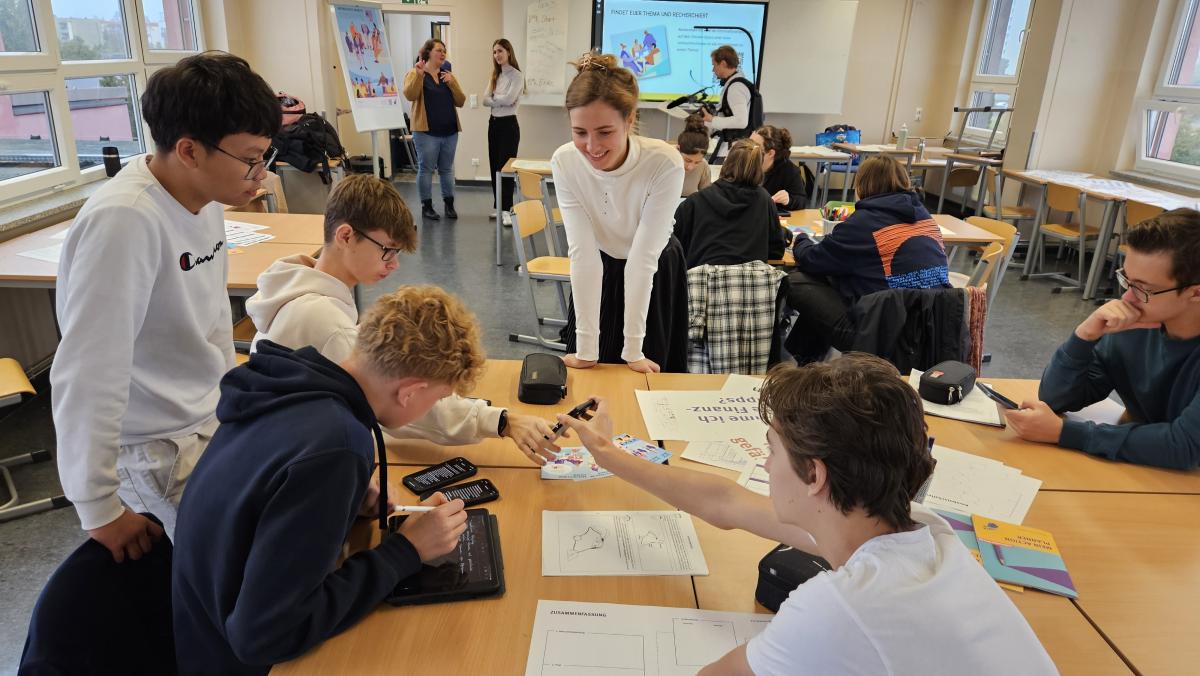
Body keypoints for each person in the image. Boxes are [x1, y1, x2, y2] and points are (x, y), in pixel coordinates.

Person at [554, 353, 1056, 675]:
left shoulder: (841, 605)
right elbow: (725, 503)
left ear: (814, 476)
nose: (762, 463)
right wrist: (608, 453)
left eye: (770, 450)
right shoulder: (921, 529)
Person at [173, 287, 479, 675]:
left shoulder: (291, 383)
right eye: (435, 399)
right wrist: (407, 550)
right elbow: (265, 636)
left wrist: (347, 503)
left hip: (198, 627)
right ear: (410, 392)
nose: (431, 408)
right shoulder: (338, 447)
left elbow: (267, 497)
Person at [49, 52, 280, 559]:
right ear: (189, 150)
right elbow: (88, 371)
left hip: (207, 424)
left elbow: (214, 325)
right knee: (225, 581)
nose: (260, 173)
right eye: (250, 158)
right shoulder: (125, 221)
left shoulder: (205, 200)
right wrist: (98, 506)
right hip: (154, 452)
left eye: (265, 155)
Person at [246, 174, 559, 464]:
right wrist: (502, 421)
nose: (394, 265)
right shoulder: (327, 323)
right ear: (345, 236)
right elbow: (402, 406)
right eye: (387, 251)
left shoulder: (302, 284)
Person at [1005, 209, 1200, 469]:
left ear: (1196, 293)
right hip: (1149, 469)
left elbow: (1185, 446)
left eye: (1143, 288)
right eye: (1126, 280)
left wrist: (1065, 433)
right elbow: (1056, 399)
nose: (1127, 298)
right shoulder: (1134, 323)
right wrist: (1084, 336)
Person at [551, 52, 688, 374]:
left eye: (604, 132)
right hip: (597, 264)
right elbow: (582, 253)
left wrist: (634, 350)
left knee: (649, 374)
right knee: (588, 375)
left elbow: (643, 258)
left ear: (629, 120)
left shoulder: (663, 162)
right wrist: (586, 349)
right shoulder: (565, 161)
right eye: (579, 132)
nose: (591, 146)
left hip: (653, 268)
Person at [784, 155, 950, 364]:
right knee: (835, 280)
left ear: (862, 186)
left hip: (881, 336)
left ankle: (805, 360)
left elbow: (813, 260)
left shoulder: (863, 223)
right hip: (931, 330)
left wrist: (801, 240)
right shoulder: (925, 217)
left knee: (796, 281)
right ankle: (807, 359)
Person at [673, 139, 786, 267]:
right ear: (759, 169)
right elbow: (776, 251)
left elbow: (675, 248)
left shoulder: (695, 202)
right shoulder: (765, 201)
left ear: (727, 161)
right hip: (751, 283)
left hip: (702, 282)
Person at [403, 39, 465, 221]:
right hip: (426, 133)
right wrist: (419, 75)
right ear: (428, 52)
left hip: (450, 132)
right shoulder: (415, 73)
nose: (443, 53)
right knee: (426, 168)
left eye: (444, 50)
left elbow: (461, 101)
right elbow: (410, 94)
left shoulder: (448, 75)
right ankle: (427, 206)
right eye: (439, 50)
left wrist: (452, 82)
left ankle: (449, 205)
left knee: (446, 169)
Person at [484, 38, 525, 221]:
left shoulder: (517, 76)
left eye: (500, 51)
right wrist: (498, 100)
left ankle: (508, 208)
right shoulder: (495, 75)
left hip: (509, 125)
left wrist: (496, 99)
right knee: (495, 166)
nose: (497, 55)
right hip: (493, 124)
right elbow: (485, 99)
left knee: (505, 167)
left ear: (509, 52)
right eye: (494, 52)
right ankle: (499, 207)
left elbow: (509, 100)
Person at [701, 45, 757, 159]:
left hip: (733, 150)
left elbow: (741, 121)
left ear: (723, 63)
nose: (713, 69)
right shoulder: (736, 84)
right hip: (734, 147)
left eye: (714, 65)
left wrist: (712, 119)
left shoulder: (736, 87)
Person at [751, 125, 806, 211]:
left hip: (770, 217)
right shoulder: (743, 163)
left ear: (770, 153)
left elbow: (801, 201)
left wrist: (789, 200)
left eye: (753, 147)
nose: (747, 149)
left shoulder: (789, 170)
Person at [677, 113, 711, 197]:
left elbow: (706, 197)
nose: (690, 167)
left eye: (697, 162)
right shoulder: (665, 160)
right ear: (678, 149)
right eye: (687, 160)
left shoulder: (703, 165)